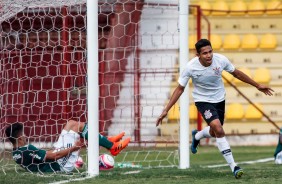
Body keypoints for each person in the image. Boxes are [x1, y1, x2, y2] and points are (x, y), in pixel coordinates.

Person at [156, 39, 274, 179]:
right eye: (205, 53)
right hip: (203, 101)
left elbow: (236, 73)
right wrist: (166, 110)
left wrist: (257, 85)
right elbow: (180, 89)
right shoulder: (190, 67)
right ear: (198, 55)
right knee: (218, 128)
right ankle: (234, 166)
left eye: (210, 51)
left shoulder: (220, 60)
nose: (209, 55)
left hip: (220, 99)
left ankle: (198, 135)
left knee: (214, 131)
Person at [5, 120, 130, 173]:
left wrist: (55, 150)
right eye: (24, 134)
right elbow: (54, 157)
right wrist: (74, 148)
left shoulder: (16, 154)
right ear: (20, 138)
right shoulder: (27, 149)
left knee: (71, 123)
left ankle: (107, 142)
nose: (26, 136)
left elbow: (44, 157)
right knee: (77, 127)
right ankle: (112, 146)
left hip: (55, 160)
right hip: (60, 165)